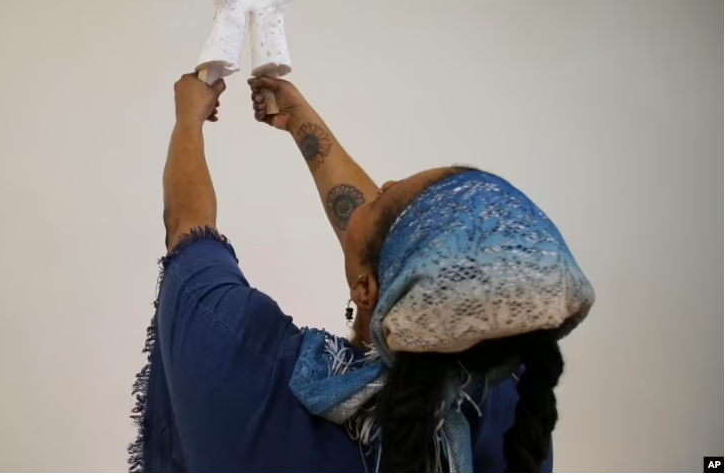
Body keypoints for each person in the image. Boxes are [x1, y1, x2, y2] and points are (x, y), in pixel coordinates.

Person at [128, 74, 595, 473]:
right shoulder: (509, 404)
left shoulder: (255, 369)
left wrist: (187, 116)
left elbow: (188, 230)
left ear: (368, 289)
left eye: (383, 197)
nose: (383, 184)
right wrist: (300, 120)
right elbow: (396, 257)